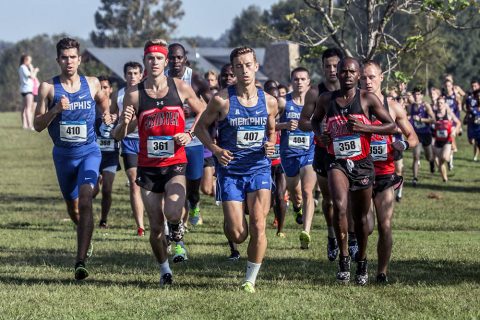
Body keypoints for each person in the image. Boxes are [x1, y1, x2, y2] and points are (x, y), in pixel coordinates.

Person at [113, 39, 205, 286]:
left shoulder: (180, 87)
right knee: (154, 229)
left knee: (173, 211)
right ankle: (164, 269)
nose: (154, 63)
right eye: (150, 58)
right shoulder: (134, 94)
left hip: (175, 161)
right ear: (144, 61)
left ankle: (176, 227)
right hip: (148, 166)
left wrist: (190, 133)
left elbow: (204, 111)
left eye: (159, 58)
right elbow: (119, 135)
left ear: (166, 62)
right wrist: (123, 122)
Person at [195, 46, 278, 293]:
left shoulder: (270, 102)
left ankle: (249, 280)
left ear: (256, 66)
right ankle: (230, 223)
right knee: (239, 234)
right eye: (238, 66)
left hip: (259, 169)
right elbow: (200, 128)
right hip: (230, 171)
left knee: (259, 225)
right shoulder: (221, 100)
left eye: (248, 64)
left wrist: (271, 145)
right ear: (233, 69)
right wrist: (216, 150)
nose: (244, 70)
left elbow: (272, 131)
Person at [311, 57, 396, 285]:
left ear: (358, 75)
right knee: (339, 206)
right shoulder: (326, 99)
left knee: (361, 220)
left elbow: (392, 126)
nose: (347, 75)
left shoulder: (368, 99)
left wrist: (365, 127)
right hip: (336, 160)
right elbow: (314, 121)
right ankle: (344, 259)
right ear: (336, 74)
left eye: (351, 71)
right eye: (343, 71)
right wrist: (321, 136)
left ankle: (363, 260)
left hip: (362, 164)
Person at [33, 37, 111, 280]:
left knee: (86, 200)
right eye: (64, 57)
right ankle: (84, 234)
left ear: (80, 59)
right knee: (74, 207)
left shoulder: (93, 83)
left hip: (89, 151)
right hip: (63, 156)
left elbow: (103, 102)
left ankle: (80, 260)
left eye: (73, 57)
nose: (69, 61)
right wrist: (55, 110)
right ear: (58, 60)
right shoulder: (48, 88)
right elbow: (37, 125)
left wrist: (105, 116)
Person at [360, 61, 419, 283]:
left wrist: (402, 145)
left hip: (385, 173)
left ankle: (381, 272)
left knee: (385, 225)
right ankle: (362, 264)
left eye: (372, 77)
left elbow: (412, 137)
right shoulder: (354, 105)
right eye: (364, 78)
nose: (368, 81)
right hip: (360, 172)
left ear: (381, 77)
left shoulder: (392, 106)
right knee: (366, 226)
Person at [299, 48, 353, 261]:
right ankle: (332, 235)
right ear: (322, 68)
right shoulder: (315, 93)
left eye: (335, 66)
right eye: (327, 66)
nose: (332, 70)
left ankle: (351, 239)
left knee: (347, 199)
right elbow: (304, 121)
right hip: (324, 151)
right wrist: (318, 131)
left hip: (348, 151)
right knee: (330, 199)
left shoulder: (352, 91)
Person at [166, 43, 212, 227]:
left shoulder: (196, 79)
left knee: (193, 181)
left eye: (179, 57)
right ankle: (178, 221)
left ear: (185, 58)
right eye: (172, 57)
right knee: (175, 181)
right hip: (169, 136)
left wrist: (193, 114)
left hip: (192, 136)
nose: (176, 61)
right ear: (167, 58)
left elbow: (210, 107)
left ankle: (194, 203)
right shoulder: (160, 78)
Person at [277, 67, 316, 248]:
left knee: (308, 191)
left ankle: (306, 232)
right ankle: (296, 207)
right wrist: (284, 125)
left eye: (303, 79)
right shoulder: (283, 102)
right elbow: (268, 124)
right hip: (288, 154)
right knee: (294, 192)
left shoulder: (316, 102)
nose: (299, 82)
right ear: (291, 81)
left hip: (309, 152)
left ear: (308, 82)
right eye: (296, 79)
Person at [112, 61, 146, 236]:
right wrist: (109, 117)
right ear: (125, 75)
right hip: (128, 142)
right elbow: (112, 114)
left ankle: (160, 219)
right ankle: (140, 226)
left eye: (135, 73)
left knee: (151, 184)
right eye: (129, 73)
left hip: (147, 142)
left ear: (141, 75)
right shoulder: (118, 95)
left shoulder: (147, 93)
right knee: (134, 183)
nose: (132, 76)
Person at [92, 76, 120, 229]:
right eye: (100, 87)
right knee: (93, 190)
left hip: (111, 155)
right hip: (93, 154)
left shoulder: (115, 108)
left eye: (105, 87)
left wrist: (119, 119)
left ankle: (103, 220)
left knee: (107, 189)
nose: (102, 90)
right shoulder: (91, 107)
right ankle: (85, 216)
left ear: (110, 90)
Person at [264, 81, 287, 237]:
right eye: (271, 96)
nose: (274, 100)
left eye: (277, 97)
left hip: (280, 162)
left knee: (280, 195)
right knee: (269, 199)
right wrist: (282, 126)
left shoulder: (286, 113)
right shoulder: (260, 113)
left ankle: (280, 229)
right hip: (265, 162)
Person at [408, 87, 435, 186]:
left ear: (422, 95)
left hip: (426, 133)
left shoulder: (426, 105)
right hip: (416, 134)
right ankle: (415, 178)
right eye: (415, 94)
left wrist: (421, 120)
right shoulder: (410, 107)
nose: (416, 96)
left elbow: (433, 119)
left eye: (418, 94)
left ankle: (431, 162)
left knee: (429, 156)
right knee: (416, 156)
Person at [433, 95, 461, 182]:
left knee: (444, 158)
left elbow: (458, 122)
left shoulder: (448, 113)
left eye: (441, 103)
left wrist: (454, 131)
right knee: (440, 161)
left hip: (447, 140)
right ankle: (444, 178)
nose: (439, 104)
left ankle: (449, 159)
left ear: (445, 104)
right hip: (437, 140)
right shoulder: (434, 113)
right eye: (438, 103)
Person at [19, 54, 39, 130]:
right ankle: (30, 125)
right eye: (29, 61)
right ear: (25, 60)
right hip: (27, 90)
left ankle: (25, 125)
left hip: (24, 89)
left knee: (24, 108)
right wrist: (34, 70)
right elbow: (32, 77)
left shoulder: (22, 67)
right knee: (28, 108)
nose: (30, 62)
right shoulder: (23, 67)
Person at [464, 80, 480, 161]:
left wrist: (475, 110)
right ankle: (475, 155)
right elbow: (465, 107)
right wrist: (466, 114)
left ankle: (475, 157)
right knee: (471, 141)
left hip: (478, 119)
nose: (474, 88)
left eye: (475, 86)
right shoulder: (469, 96)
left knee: (478, 140)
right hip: (470, 121)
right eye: (472, 86)